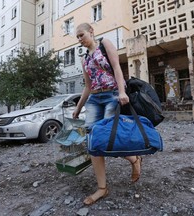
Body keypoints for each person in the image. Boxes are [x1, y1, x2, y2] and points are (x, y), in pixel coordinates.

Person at [72, 23, 142, 205]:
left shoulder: (105, 44)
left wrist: (122, 92)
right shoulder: (84, 59)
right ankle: (102, 188)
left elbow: (117, 68)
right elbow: (87, 86)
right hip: (94, 100)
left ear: (91, 31)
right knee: (93, 143)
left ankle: (134, 159)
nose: (79, 39)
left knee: (109, 137)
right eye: (77, 37)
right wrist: (78, 108)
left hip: (112, 94)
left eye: (81, 35)